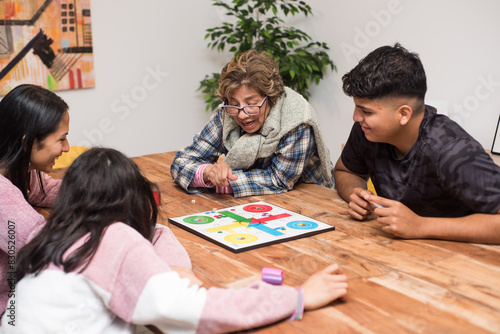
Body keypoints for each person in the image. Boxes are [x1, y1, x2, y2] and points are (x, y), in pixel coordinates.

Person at [2, 147, 348, 333]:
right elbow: (205, 315)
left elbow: (156, 235)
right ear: (133, 199)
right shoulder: (113, 239)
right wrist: (300, 296)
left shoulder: (53, 233)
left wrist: (174, 274)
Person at [334, 43, 500, 244]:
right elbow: (346, 171)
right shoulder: (367, 131)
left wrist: (421, 226)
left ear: (403, 114)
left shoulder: (453, 151)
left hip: (463, 260)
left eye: (366, 111)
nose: (356, 117)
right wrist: (356, 194)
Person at [171, 50, 334, 197]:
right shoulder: (227, 112)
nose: (241, 114)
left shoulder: (298, 119)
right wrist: (207, 172)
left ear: (270, 97)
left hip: (310, 200)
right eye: (234, 104)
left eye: (251, 103)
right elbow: (182, 161)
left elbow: (278, 180)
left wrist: (225, 181)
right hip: (252, 202)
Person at [0, 84, 70, 317]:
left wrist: (99, 189)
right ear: (27, 141)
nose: (67, 148)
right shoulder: (3, 195)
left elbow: (47, 190)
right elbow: (47, 249)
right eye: (61, 139)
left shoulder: (17, 171)